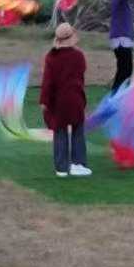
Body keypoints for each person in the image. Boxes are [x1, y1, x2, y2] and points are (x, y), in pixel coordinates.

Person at [40, 23, 90, 178]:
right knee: (77, 130)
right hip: (75, 98)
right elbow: (81, 74)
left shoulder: (51, 57)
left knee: (59, 131)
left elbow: (48, 81)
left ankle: (61, 167)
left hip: (58, 100)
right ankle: (78, 164)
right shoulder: (78, 56)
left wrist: (44, 101)